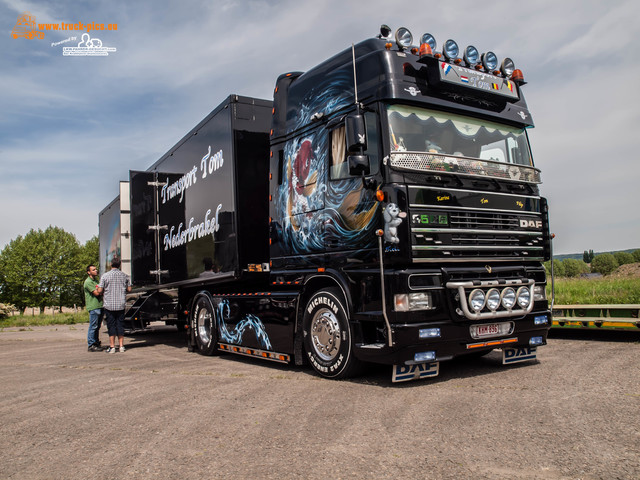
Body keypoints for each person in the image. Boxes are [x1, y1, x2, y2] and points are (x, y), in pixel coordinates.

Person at [96, 256, 131, 353]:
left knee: (111, 325)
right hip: (120, 304)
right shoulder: (125, 276)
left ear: (111, 264)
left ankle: (112, 347)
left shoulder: (105, 276)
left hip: (109, 305)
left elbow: (99, 290)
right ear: (119, 265)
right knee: (120, 325)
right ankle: (121, 346)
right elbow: (129, 289)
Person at [83, 264, 103, 351]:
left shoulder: (96, 281)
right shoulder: (88, 282)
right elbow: (97, 293)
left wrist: (100, 290)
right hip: (94, 307)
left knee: (97, 326)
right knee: (93, 326)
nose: (96, 271)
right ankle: (91, 345)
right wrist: (100, 290)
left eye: (96, 269)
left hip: (100, 305)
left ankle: (96, 342)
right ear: (89, 272)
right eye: (93, 270)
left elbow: (101, 290)